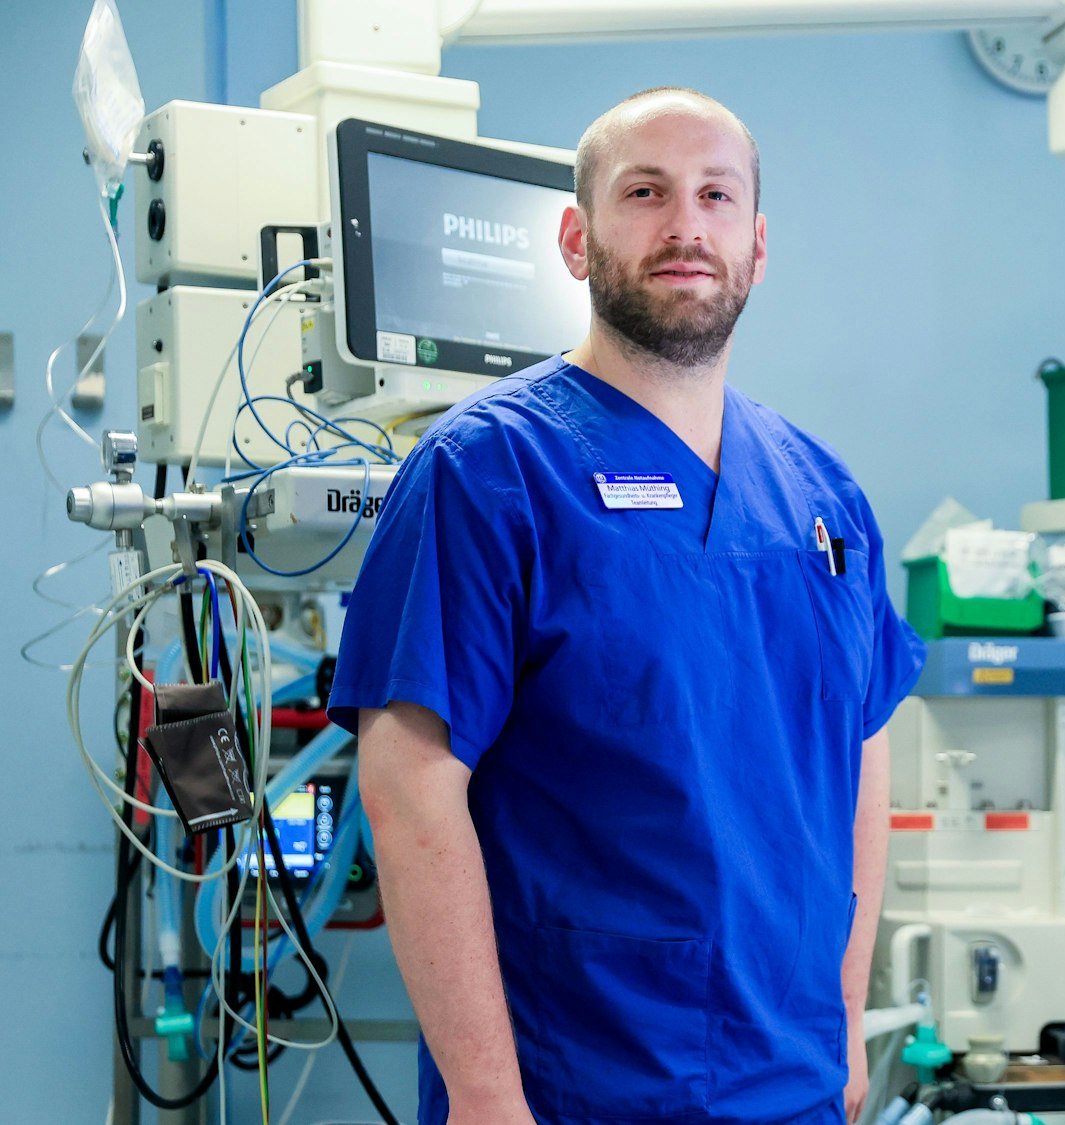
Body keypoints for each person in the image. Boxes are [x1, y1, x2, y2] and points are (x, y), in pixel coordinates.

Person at [329, 86, 926, 1125]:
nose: (685, 225)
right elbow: (410, 786)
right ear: (576, 237)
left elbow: (859, 754)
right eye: (644, 192)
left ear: (757, 242)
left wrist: (843, 1019)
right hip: (573, 1087)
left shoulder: (823, 497)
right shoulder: (488, 471)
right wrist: (483, 1096)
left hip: (789, 1082)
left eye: (715, 195)